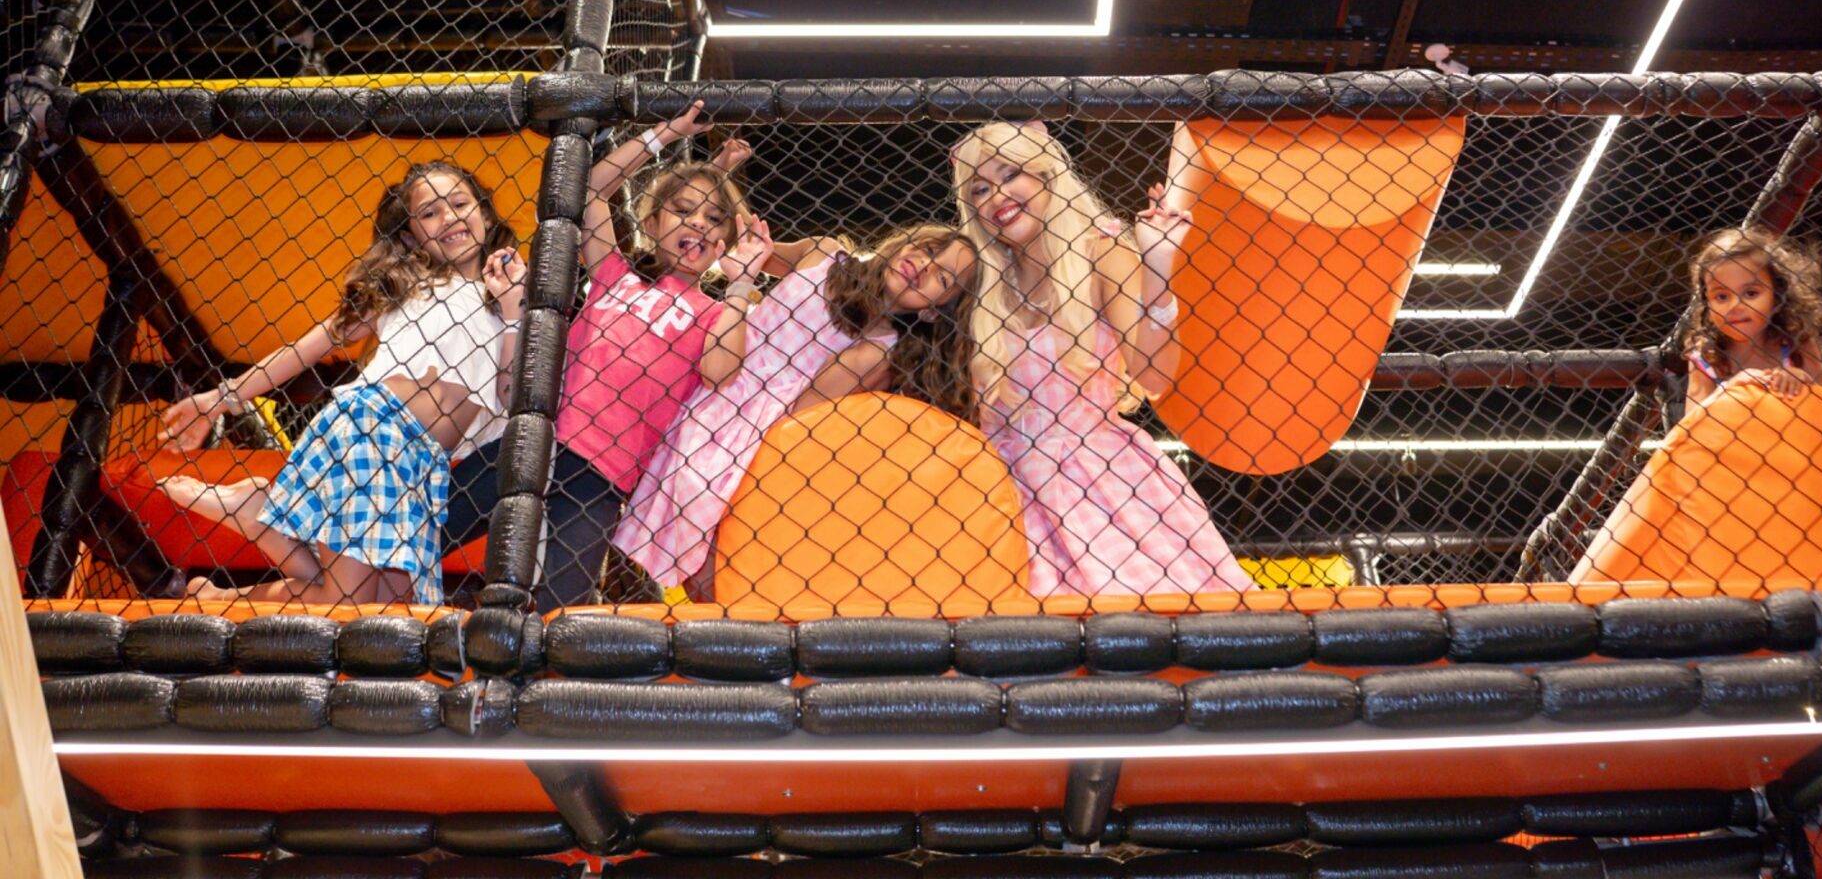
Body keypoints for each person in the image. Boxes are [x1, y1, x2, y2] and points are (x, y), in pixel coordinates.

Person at [441, 102, 760, 609]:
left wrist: (742, 285)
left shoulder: (715, 312)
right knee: (429, 528)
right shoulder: (616, 276)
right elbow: (588, 190)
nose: (698, 223)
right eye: (682, 211)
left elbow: (720, 371)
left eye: (713, 218)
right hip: (538, 440)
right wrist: (666, 132)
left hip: (604, 477)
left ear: (726, 241)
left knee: (562, 605)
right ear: (652, 223)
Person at [160, 161, 522, 605]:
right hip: (371, 430)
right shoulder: (406, 288)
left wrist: (512, 308)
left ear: (486, 215)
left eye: (460, 204)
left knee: (388, 606)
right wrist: (220, 398)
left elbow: (508, 394)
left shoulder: (511, 304)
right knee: (350, 602)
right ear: (410, 237)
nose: (448, 217)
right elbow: (306, 348)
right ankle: (239, 559)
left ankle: (249, 537)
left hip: (423, 465)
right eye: (430, 212)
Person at [950, 121, 1252, 597]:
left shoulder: (1101, 253)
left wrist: (1157, 269)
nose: (997, 196)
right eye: (980, 189)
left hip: (1100, 482)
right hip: (998, 494)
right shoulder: (979, 284)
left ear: (1047, 175)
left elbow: (1154, 375)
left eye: (1010, 175)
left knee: (1141, 617)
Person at [611, 223, 979, 597]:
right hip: (717, 362)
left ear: (934, 313)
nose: (924, 266)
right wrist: (743, 241)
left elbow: (806, 414)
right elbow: (752, 251)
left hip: (757, 430)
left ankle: (717, 620)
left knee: (710, 551)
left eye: (943, 277)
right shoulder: (826, 254)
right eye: (927, 249)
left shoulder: (880, 351)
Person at [1682, 226, 1822, 419]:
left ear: (1777, 295)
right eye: (1721, 296)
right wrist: (1729, 390)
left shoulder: (1796, 342)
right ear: (1706, 302)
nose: (1735, 306)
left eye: (1751, 293)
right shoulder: (1706, 356)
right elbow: (1690, 425)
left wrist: (1803, 381)